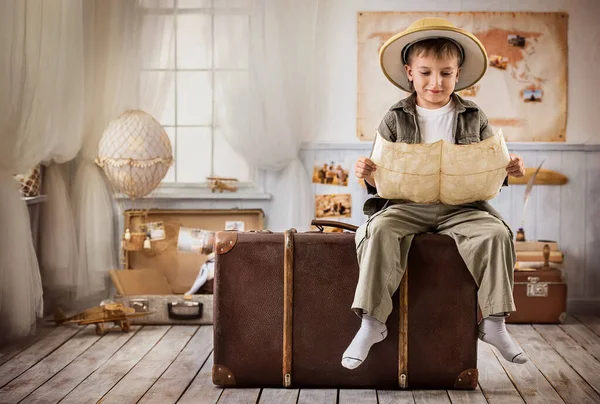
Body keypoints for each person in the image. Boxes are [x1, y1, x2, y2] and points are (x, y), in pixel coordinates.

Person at [341, 17, 527, 370]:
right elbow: (380, 172)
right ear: (410, 72)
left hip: (462, 207)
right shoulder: (395, 117)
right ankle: (371, 323)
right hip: (406, 205)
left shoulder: (474, 115)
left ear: (458, 74)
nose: (435, 82)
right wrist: (367, 174)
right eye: (426, 72)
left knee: (497, 233)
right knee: (378, 230)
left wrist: (510, 168)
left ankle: (494, 323)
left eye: (445, 73)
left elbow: (491, 165)